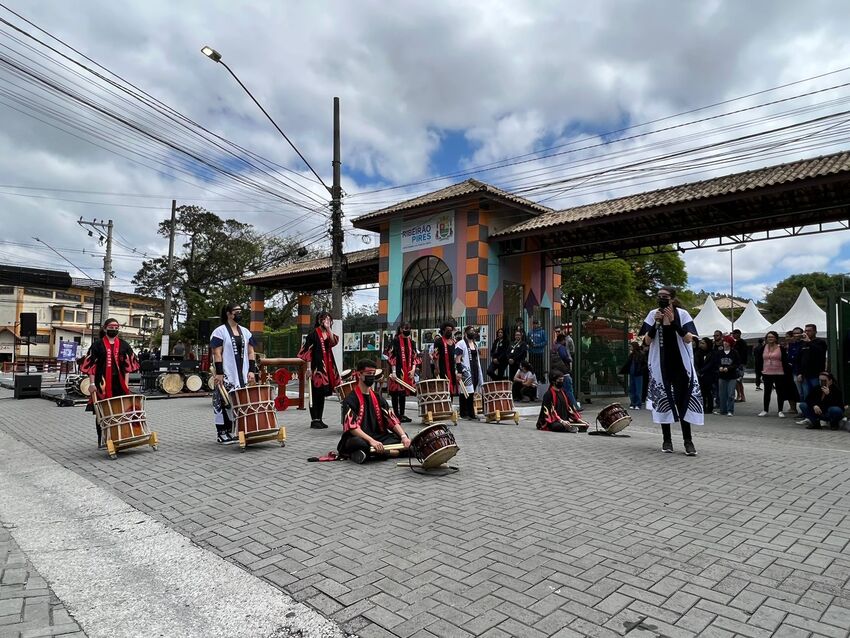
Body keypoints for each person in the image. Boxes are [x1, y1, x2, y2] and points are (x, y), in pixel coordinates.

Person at [639, 286, 703, 456]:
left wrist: (673, 322)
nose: (662, 298)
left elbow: (689, 339)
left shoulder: (682, 314)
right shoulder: (653, 314)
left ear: (672, 298)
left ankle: (688, 441)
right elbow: (645, 341)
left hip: (680, 366)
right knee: (664, 401)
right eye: (659, 296)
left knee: (683, 401)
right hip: (661, 365)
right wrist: (656, 323)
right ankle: (666, 440)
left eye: (665, 296)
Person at [80, 318, 140, 448]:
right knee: (101, 411)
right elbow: (91, 366)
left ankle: (121, 437)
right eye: (111, 328)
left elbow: (127, 367)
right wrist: (91, 384)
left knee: (121, 411)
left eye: (116, 328)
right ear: (105, 328)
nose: (113, 330)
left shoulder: (124, 345)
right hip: (102, 383)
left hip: (119, 383)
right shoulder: (97, 345)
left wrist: (126, 384)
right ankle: (102, 440)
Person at [337, 360, 411, 464]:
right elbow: (352, 428)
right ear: (359, 374)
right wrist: (371, 441)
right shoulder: (350, 399)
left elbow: (391, 419)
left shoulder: (378, 398)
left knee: (405, 439)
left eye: (373, 374)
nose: (371, 377)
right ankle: (392, 452)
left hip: (378, 437)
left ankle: (372, 454)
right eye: (368, 374)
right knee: (358, 443)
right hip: (360, 438)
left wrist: (403, 437)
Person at [210, 304, 257, 445]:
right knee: (223, 402)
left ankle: (232, 432)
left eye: (240, 312)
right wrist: (219, 373)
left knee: (238, 404)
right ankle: (221, 433)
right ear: (229, 314)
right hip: (226, 374)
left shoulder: (246, 332)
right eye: (237, 312)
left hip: (242, 375)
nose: (239, 314)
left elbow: (251, 352)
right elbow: (217, 353)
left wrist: (251, 371)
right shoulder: (220, 331)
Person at [298, 311, 340, 429]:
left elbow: (334, 342)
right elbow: (308, 352)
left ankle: (319, 418)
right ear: (319, 320)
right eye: (325, 319)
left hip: (328, 367)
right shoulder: (313, 335)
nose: (327, 321)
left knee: (321, 394)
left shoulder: (328, 333)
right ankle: (314, 419)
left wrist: (329, 329)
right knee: (315, 392)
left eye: (329, 319)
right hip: (317, 367)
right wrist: (308, 368)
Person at [386, 322, 419, 423]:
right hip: (397, 370)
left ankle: (402, 414)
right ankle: (396, 414)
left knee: (403, 393)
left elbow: (415, 357)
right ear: (401, 329)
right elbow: (391, 356)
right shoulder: (395, 341)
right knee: (396, 393)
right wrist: (394, 371)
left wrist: (413, 370)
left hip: (408, 371)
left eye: (409, 328)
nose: (407, 330)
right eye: (405, 328)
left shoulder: (412, 342)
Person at [455, 325, 484, 420]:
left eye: (474, 331)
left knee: (472, 392)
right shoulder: (461, 344)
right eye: (471, 331)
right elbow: (457, 358)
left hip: (474, 369)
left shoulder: (475, 344)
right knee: (465, 392)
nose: (473, 332)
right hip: (465, 370)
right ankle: (464, 412)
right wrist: (459, 371)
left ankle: (471, 412)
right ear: (465, 333)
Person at [758, 331, 788, 418]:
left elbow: (785, 360)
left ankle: (780, 410)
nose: (770, 338)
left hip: (779, 372)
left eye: (772, 337)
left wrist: (785, 372)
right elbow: (759, 360)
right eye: (768, 337)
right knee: (767, 392)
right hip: (766, 372)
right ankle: (765, 410)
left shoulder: (781, 348)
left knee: (780, 392)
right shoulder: (763, 348)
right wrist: (760, 372)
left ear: (776, 338)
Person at [797, 324, 828, 403]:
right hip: (805, 374)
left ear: (815, 332)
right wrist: (799, 372)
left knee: (817, 393)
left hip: (816, 374)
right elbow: (800, 359)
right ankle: (806, 412)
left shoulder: (820, 342)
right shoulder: (803, 343)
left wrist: (809, 342)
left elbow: (819, 353)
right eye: (805, 331)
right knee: (806, 394)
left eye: (809, 331)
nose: (807, 333)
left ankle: (817, 412)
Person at [432, 321, 458, 396]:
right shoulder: (438, 341)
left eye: (451, 330)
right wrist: (437, 368)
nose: (450, 332)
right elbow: (435, 356)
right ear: (443, 330)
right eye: (448, 330)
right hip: (443, 369)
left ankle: (451, 405)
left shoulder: (453, 342)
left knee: (452, 389)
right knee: (444, 389)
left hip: (452, 369)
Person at [717, 336, 741, 417]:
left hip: (732, 376)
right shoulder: (719, 352)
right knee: (722, 394)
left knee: (731, 394)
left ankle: (730, 410)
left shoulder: (734, 352)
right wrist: (719, 367)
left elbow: (737, 364)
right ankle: (722, 410)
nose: (725, 343)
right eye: (724, 341)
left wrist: (729, 368)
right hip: (722, 376)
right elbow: (716, 362)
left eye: (727, 342)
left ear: (730, 343)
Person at [695, 337, 719, 414]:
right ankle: (703, 407)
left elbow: (711, 364)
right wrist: (698, 371)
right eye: (700, 343)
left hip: (709, 375)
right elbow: (695, 363)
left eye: (703, 343)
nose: (701, 345)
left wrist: (702, 371)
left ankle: (709, 408)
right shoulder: (697, 353)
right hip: (700, 375)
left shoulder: (712, 353)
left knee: (709, 392)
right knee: (702, 392)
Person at [620, 341, 647, 410]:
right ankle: (633, 403)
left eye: (631, 346)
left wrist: (640, 370)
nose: (630, 347)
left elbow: (644, 364)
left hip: (637, 374)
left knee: (637, 389)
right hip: (633, 373)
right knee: (632, 389)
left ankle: (637, 403)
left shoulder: (640, 354)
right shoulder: (632, 355)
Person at [732, 329, 748, 402]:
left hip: (740, 364)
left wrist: (741, 363)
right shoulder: (735, 343)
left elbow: (744, 354)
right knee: (736, 381)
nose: (733, 335)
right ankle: (739, 395)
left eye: (734, 334)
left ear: (738, 334)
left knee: (739, 380)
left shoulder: (742, 342)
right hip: (736, 364)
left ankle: (741, 395)